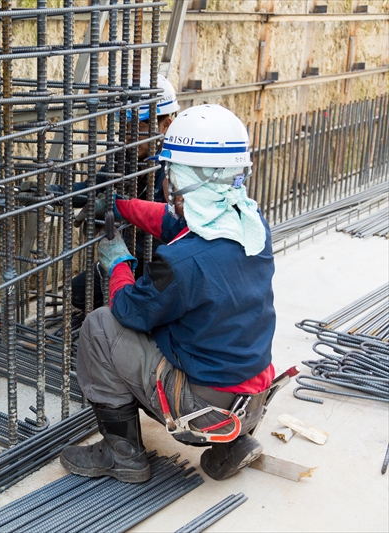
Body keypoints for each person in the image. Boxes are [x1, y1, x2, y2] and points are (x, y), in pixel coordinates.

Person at [60, 104, 275, 483]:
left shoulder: (181, 260)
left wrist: (118, 262)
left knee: (99, 327)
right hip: (251, 400)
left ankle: (121, 454)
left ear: (180, 179)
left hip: (202, 409)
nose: (165, 180)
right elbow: (173, 220)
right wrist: (120, 207)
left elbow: (127, 309)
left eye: (170, 173)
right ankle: (233, 443)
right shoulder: (251, 225)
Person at [70, 72, 180, 313]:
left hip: (163, 267)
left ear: (165, 126)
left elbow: (171, 230)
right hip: (128, 257)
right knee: (78, 293)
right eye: (127, 127)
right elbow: (95, 185)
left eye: (140, 127)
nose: (130, 135)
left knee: (140, 309)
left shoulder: (175, 169)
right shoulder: (127, 155)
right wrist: (55, 193)